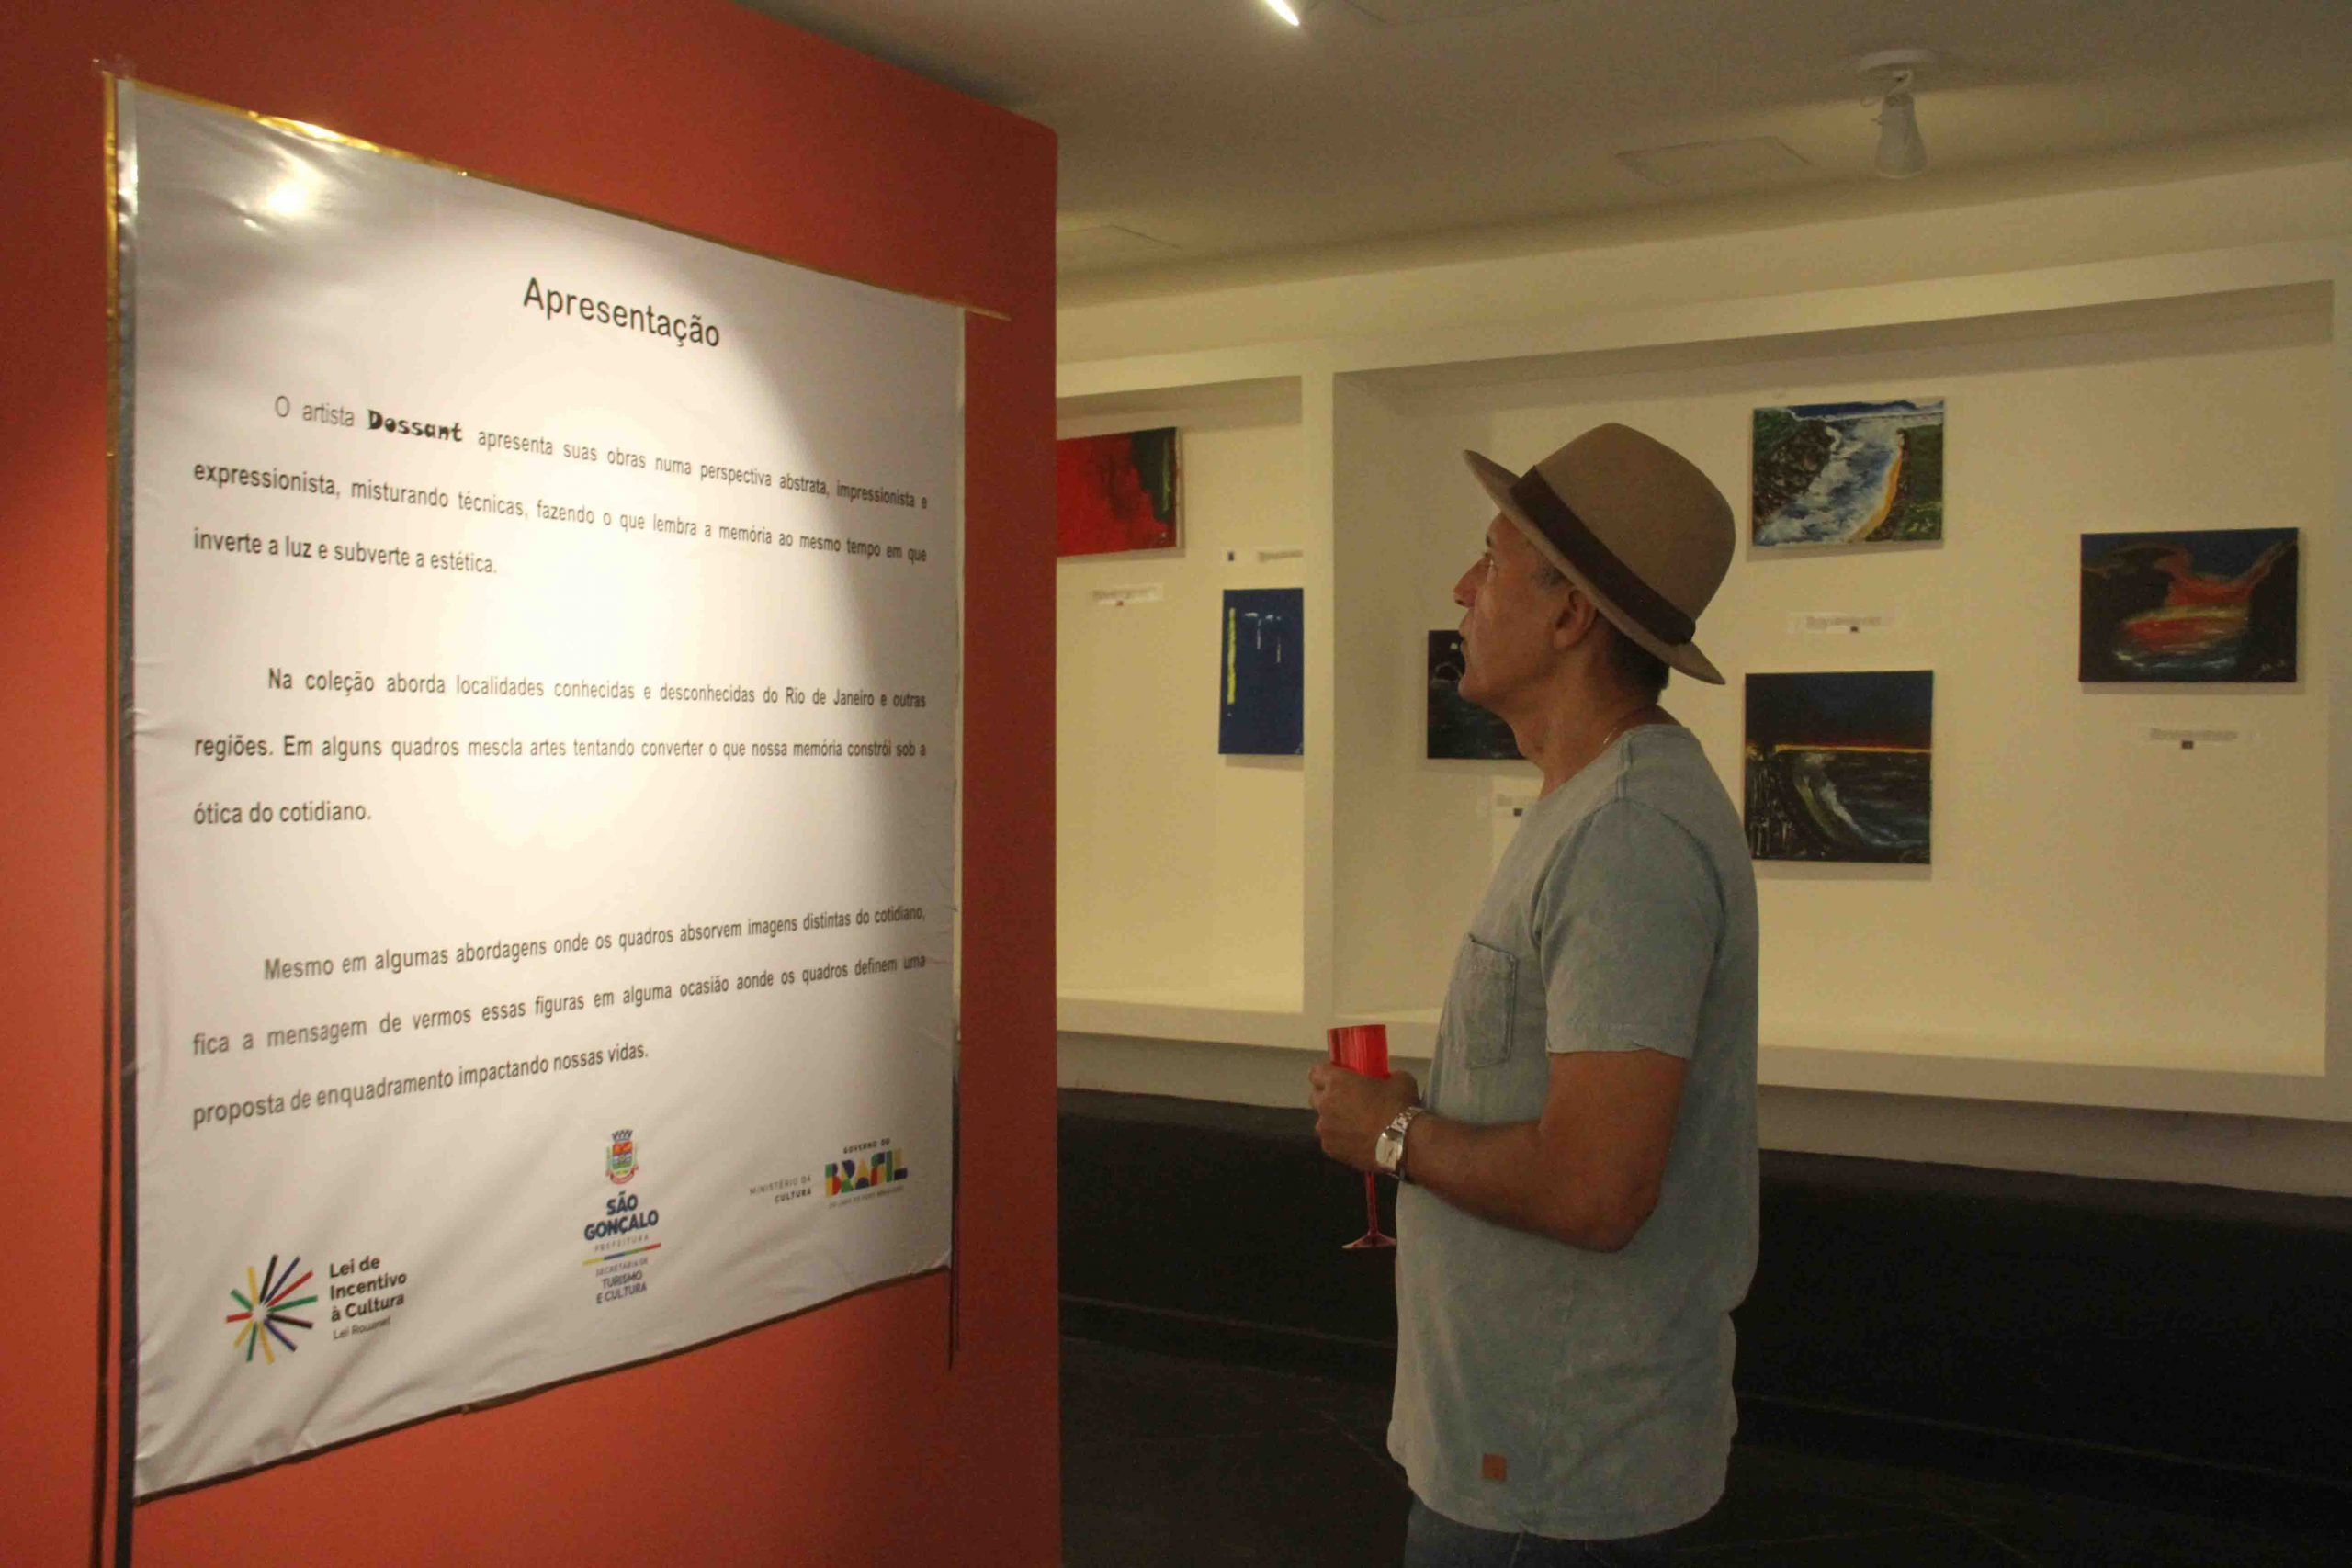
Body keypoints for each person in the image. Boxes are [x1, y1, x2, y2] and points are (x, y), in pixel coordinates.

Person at [1308, 423, 1759, 1565]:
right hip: (1534, 1452)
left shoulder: (1626, 835)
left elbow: (1599, 1188)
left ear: (1570, 617)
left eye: (1491, 561)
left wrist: (1392, 1135)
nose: (1463, 590)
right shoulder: (1593, 804)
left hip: (1553, 1476)